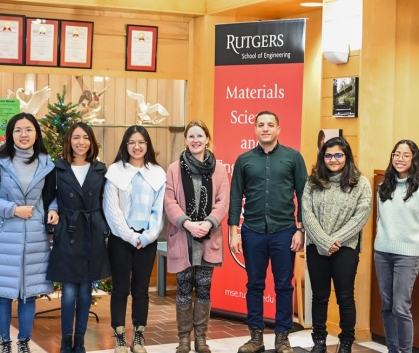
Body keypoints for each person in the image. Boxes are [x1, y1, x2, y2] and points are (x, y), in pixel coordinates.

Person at [229, 111, 307, 353]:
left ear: (278, 129)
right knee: (254, 285)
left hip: (285, 231)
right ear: (254, 129)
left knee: (284, 285)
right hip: (252, 231)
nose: (265, 128)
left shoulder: (293, 158)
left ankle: (282, 338)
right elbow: (235, 197)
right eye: (261, 125)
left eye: (270, 125)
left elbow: (304, 195)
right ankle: (255, 337)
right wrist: (234, 232)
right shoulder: (244, 160)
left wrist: (301, 229)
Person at [164, 120, 230, 353]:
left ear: (207, 139)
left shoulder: (219, 169)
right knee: (183, 288)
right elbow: (169, 201)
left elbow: (223, 201)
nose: (195, 140)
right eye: (191, 136)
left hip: (207, 236)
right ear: (185, 140)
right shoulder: (173, 169)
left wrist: (208, 223)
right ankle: (183, 340)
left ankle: (201, 339)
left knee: (203, 288)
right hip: (183, 236)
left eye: (200, 136)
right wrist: (188, 223)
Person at [45, 122, 111, 353]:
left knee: (85, 289)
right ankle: (66, 341)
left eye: (85, 137)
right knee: (69, 290)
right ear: (69, 141)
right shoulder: (58, 167)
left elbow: (107, 201)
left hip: (92, 232)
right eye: (76, 137)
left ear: (91, 141)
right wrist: (53, 210)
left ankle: (80, 340)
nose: (81, 142)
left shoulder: (101, 169)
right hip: (68, 231)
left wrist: (104, 227)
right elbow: (50, 197)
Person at [302, 137, 372, 353]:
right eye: (328, 155)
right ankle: (319, 341)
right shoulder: (314, 181)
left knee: (345, 297)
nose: (333, 159)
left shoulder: (361, 183)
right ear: (323, 157)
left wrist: (335, 241)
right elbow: (306, 213)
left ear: (347, 156)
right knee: (319, 296)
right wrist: (324, 241)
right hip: (316, 248)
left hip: (346, 250)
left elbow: (361, 217)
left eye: (338, 155)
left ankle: (346, 342)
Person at [103, 125, 166, 353]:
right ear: (125, 145)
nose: (137, 146)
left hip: (147, 241)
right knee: (120, 289)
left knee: (141, 290)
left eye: (141, 142)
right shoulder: (115, 171)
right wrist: (130, 236)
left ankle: (138, 337)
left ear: (147, 145)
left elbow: (159, 210)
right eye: (132, 142)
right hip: (121, 238)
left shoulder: (158, 173)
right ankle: (119, 336)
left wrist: (148, 236)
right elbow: (111, 209)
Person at [0, 113, 59, 353]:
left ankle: (24, 341)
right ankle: (4, 341)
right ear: (10, 134)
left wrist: (54, 209)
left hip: (36, 236)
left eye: (29, 130)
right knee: (3, 294)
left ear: (36, 133)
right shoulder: (1, 161)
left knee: (29, 294)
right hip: (6, 236)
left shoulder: (47, 163)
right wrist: (12, 210)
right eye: (18, 130)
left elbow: (53, 195)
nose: (24, 135)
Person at [374, 140, 419, 353]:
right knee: (387, 306)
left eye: (406, 155)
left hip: (408, 255)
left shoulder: (417, 188)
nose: (400, 159)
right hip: (382, 253)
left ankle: (405, 351)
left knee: (401, 307)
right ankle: (392, 350)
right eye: (396, 154)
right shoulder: (383, 187)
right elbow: (380, 221)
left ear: (414, 159)